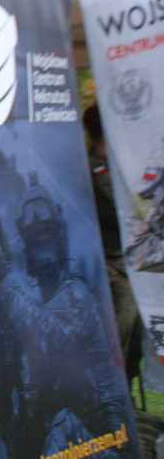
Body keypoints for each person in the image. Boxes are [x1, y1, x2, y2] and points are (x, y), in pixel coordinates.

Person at [0, 170, 129, 458]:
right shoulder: (25, 308)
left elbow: (47, 334)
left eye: (47, 233)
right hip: (51, 437)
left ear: (60, 235)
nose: (41, 241)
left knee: (62, 425)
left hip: (97, 440)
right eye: (35, 237)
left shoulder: (76, 294)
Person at [83, 103, 142, 386]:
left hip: (129, 265)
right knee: (119, 341)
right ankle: (115, 399)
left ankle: (126, 399)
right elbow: (123, 212)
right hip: (112, 269)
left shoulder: (117, 164)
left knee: (134, 342)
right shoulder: (95, 168)